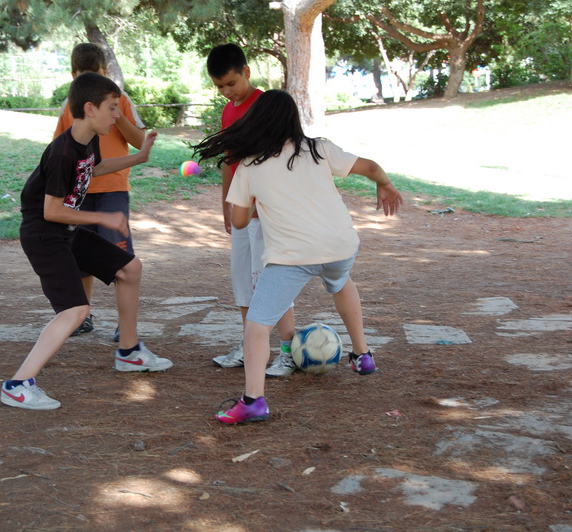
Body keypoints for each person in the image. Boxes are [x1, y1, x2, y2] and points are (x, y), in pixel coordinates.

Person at [192, 90, 403, 424]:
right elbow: (371, 167)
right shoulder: (319, 148)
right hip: (341, 246)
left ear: (256, 122)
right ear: (294, 120)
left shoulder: (249, 165)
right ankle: (363, 355)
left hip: (293, 256)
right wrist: (385, 184)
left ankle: (253, 401)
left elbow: (239, 222)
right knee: (340, 281)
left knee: (257, 326)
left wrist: (257, 204)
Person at [1, 72, 172, 411]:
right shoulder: (63, 152)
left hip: (63, 231)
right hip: (44, 235)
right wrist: (101, 218)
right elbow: (51, 211)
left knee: (130, 268)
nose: (117, 115)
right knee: (76, 310)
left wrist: (138, 157)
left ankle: (129, 352)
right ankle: (18, 384)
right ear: (90, 108)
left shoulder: (87, 139)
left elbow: (93, 169)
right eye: (112, 108)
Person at [206, 43, 297, 377]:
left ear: (246, 72)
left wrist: (267, 204)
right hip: (242, 211)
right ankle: (250, 348)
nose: (227, 91)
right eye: (220, 87)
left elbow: (281, 159)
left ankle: (288, 351)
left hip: (267, 213)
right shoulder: (228, 112)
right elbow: (229, 163)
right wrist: (226, 205)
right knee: (243, 280)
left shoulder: (267, 105)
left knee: (271, 282)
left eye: (231, 83)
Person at [54, 43, 146, 340]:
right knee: (80, 255)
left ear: (106, 72)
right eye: (84, 75)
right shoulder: (71, 105)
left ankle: (125, 325)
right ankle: (83, 316)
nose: (92, 80)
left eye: (96, 73)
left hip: (113, 189)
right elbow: (59, 147)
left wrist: (117, 113)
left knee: (120, 257)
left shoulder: (120, 100)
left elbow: (139, 140)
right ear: (74, 76)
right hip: (79, 192)